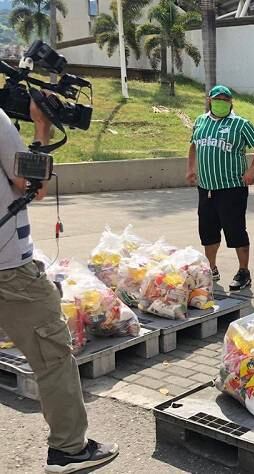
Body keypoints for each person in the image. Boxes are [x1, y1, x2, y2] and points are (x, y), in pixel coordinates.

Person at [0, 102, 118, 472]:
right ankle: (69, 449)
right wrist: (42, 127)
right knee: (52, 355)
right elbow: (30, 185)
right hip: (9, 271)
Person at [186, 85, 254, 291]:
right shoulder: (200, 121)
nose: (220, 102)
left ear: (231, 102)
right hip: (206, 188)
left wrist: (252, 170)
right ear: (210, 100)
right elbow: (194, 145)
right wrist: (191, 168)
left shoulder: (240, 124)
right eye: (217, 99)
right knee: (207, 231)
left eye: (225, 99)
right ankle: (211, 268)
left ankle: (243, 271)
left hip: (232, 188)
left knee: (235, 230)